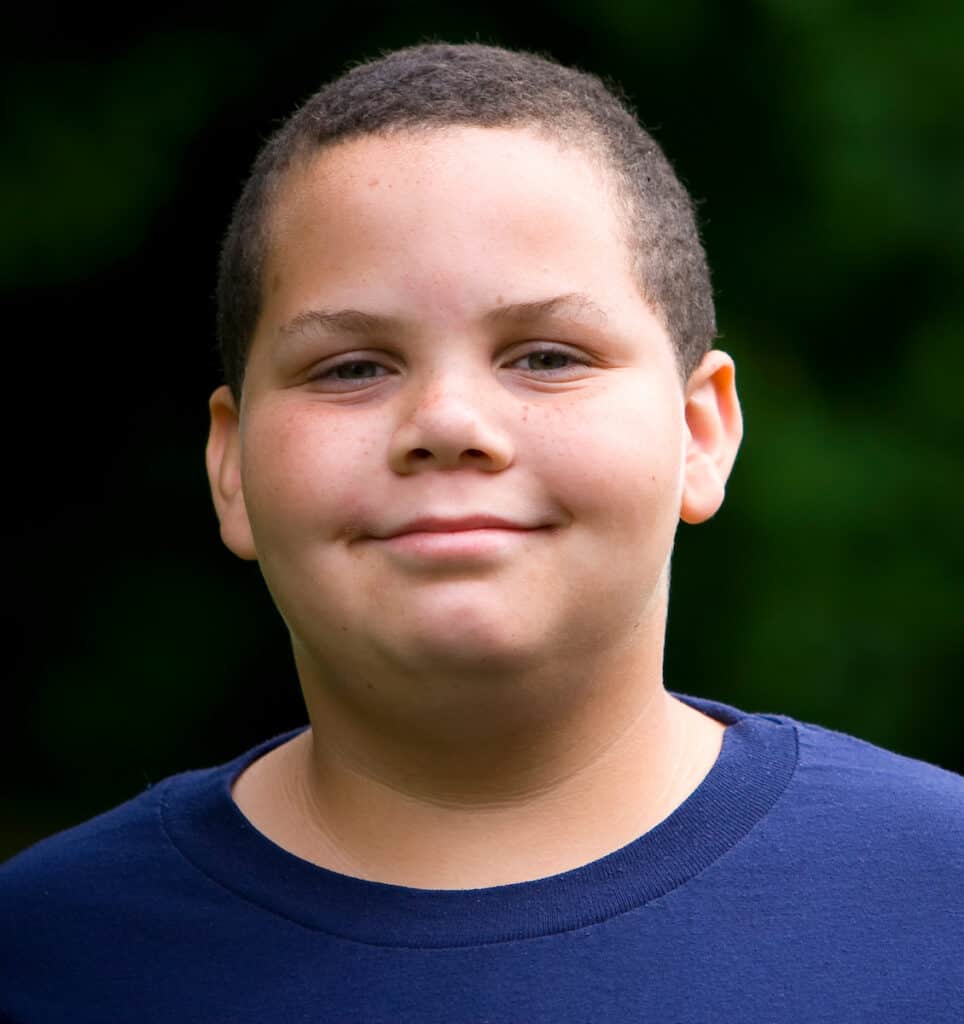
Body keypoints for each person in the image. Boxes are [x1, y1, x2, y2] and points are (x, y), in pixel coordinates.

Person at [2, 42, 962, 1022]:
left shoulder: (942, 900)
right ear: (230, 465)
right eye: (350, 368)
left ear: (699, 431)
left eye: (546, 355)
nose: (450, 423)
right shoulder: (44, 952)